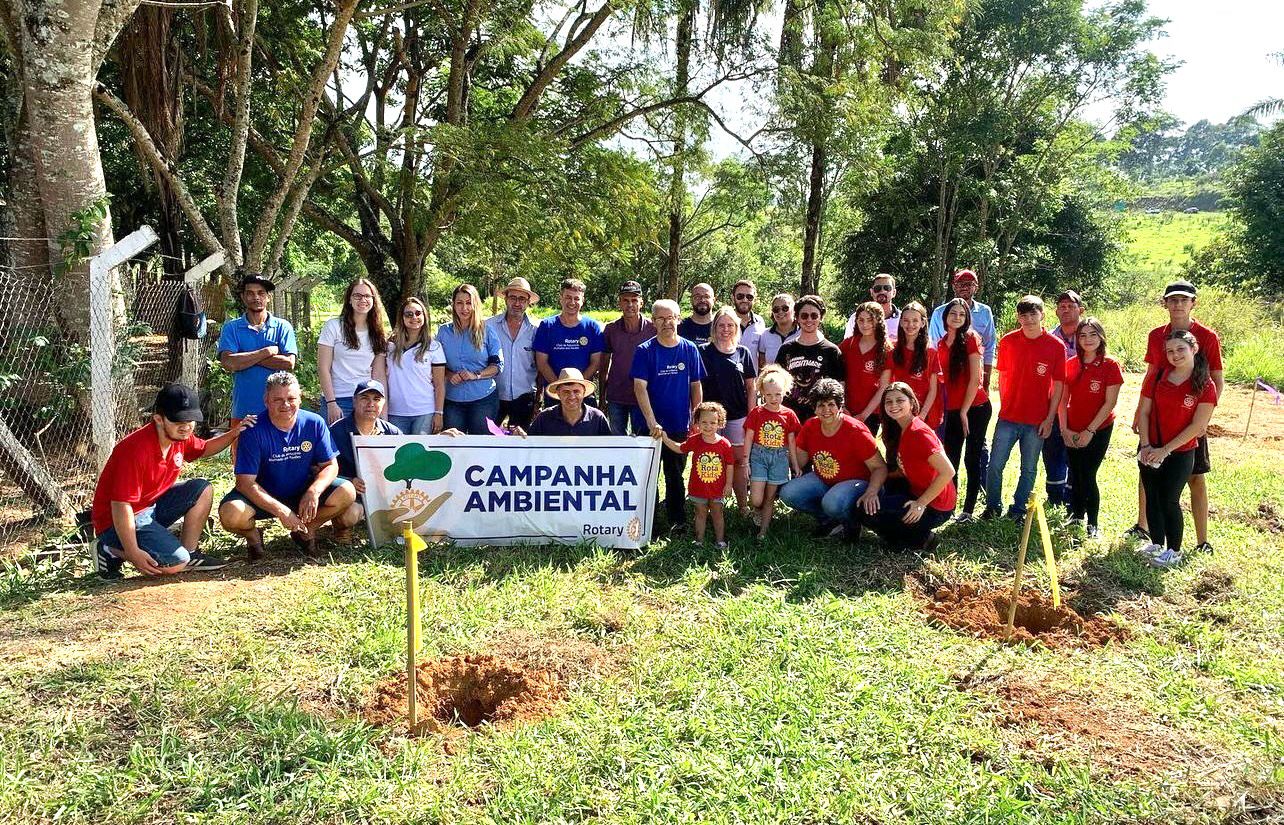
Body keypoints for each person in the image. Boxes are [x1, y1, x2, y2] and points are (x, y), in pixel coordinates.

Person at [91, 384, 247, 579]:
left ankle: (190, 553)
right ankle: (109, 549)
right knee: (174, 565)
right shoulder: (135, 450)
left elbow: (204, 448)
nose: (186, 426)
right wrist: (132, 552)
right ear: (158, 419)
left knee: (201, 488)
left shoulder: (180, 437)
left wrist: (235, 433)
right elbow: (121, 506)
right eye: (177, 420)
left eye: (191, 420)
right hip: (117, 521)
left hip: (150, 507)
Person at [1128, 279, 1224, 554]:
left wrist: (1202, 419)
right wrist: (1139, 410)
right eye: (1173, 300)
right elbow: (1150, 374)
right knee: (1148, 465)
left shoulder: (1207, 336)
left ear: (1193, 303)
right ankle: (1144, 526)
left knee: (1194, 476)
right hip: (1158, 414)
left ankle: (1201, 540)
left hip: (1191, 419)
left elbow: (1217, 379)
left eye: (1184, 299)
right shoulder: (1156, 335)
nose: (1178, 304)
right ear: (1165, 303)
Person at [218, 372, 357, 559]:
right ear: (266, 400)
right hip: (262, 495)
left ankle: (306, 529)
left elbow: (330, 465)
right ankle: (253, 537)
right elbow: (244, 483)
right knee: (231, 514)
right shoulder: (253, 430)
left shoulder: (314, 423)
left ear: (300, 399)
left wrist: (313, 492)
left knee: (347, 491)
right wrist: (281, 511)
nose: (285, 405)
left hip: (302, 493)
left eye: (291, 398)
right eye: (278, 399)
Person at [1135, 329, 1218, 568]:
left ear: (1194, 349)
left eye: (1180, 349)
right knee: (1152, 496)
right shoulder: (1158, 376)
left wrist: (1166, 450)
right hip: (1151, 447)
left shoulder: (1204, 384)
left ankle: (1174, 549)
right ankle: (1156, 543)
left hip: (1180, 451)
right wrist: (1147, 444)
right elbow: (1145, 412)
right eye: (1170, 351)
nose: (1175, 355)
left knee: (1169, 499)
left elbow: (1198, 426)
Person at [982, 295, 1066, 520]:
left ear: (1042, 316)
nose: (1028, 319)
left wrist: (1050, 419)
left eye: (1033, 314)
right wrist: (1006, 404)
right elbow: (1004, 377)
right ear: (1018, 317)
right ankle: (992, 507)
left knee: (1028, 469)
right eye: (1023, 315)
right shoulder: (1008, 341)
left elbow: (1058, 385)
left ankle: (1018, 510)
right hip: (1009, 417)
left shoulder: (1055, 346)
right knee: (995, 465)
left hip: (1037, 420)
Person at [779, 378, 887, 539]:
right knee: (788, 493)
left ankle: (852, 522)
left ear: (840, 406)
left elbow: (880, 467)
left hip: (859, 483)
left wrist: (872, 492)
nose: (826, 410)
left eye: (831, 404)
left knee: (832, 501)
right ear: (814, 408)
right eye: (821, 405)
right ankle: (830, 521)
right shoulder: (811, 426)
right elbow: (798, 461)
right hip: (825, 479)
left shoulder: (856, 430)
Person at [632, 299, 705, 531]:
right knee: (648, 476)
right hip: (649, 427)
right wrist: (652, 421)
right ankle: (648, 520)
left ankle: (677, 520)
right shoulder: (644, 351)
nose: (666, 323)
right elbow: (639, 388)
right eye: (661, 318)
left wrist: (697, 417)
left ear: (678, 319)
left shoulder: (689, 349)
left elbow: (695, 385)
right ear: (653, 322)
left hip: (678, 426)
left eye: (670, 317)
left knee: (675, 475)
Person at [857, 383, 956, 551]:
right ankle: (904, 534)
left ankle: (921, 538)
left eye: (899, 400)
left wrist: (920, 503)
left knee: (871, 516)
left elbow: (948, 471)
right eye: (888, 401)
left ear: (912, 402)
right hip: (915, 491)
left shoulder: (919, 433)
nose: (893, 405)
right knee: (865, 508)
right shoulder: (900, 428)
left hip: (935, 505)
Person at [1058, 318, 1122, 538]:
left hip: (1098, 428)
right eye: (1083, 335)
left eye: (1093, 334)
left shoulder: (1110, 365)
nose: (1088, 340)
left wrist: (1090, 431)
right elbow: (1063, 399)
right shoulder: (1071, 363)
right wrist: (1065, 429)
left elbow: (1110, 402)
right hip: (1072, 428)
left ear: (1101, 337)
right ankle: (1076, 515)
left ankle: (1092, 523)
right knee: (1075, 473)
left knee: (1088, 474)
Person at [217, 272, 297, 442]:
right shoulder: (232, 328)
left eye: (261, 293)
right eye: (250, 293)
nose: (256, 297)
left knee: (278, 464)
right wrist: (266, 352)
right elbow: (229, 363)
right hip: (244, 410)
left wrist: (244, 359)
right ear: (243, 297)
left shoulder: (283, 327)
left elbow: (289, 363)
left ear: (268, 297)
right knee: (244, 465)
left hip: (279, 410)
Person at [698, 306, 758, 513]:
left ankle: (742, 506)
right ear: (714, 327)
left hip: (737, 416)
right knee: (711, 461)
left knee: (740, 462)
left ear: (736, 327)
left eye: (730, 325)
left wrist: (752, 416)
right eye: (721, 325)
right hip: (709, 419)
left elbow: (751, 387)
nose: (726, 329)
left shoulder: (744, 353)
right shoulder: (703, 351)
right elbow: (695, 386)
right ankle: (709, 505)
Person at [329, 379, 403, 543]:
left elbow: (412, 458)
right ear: (354, 401)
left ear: (383, 403)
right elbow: (318, 469)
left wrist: (442, 439)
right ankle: (342, 528)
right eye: (365, 398)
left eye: (376, 399)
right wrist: (348, 482)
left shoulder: (392, 432)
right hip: (353, 495)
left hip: (384, 494)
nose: (371, 404)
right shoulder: (336, 430)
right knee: (349, 517)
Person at [939, 298, 991, 520]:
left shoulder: (971, 338)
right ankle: (949, 506)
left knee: (972, 457)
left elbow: (975, 380)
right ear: (946, 316)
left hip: (975, 408)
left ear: (967, 318)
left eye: (962, 314)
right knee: (951, 458)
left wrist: (964, 411)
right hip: (951, 409)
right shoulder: (941, 343)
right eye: (953, 313)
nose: (957, 317)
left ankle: (968, 509)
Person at [658, 402, 735, 547]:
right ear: (697, 422)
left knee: (717, 513)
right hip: (699, 487)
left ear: (719, 423)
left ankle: (720, 541)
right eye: (704, 422)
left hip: (718, 488)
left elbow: (730, 465)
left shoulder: (725, 444)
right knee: (700, 513)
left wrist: (729, 484)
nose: (708, 426)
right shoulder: (695, 440)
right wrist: (665, 439)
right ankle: (699, 541)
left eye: (713, 422)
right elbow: (680, 448)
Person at [318, 278, 389, 424]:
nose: (362, 300)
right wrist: (331, 402)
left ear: (374, 300)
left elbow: (379, 374)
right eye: (357, 295)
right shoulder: (333, 326)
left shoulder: (378, 332)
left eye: (367, 296)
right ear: (349, 300)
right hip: (338, 399)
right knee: (336, 446)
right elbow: (323, 368)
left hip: (366, 400)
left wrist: (383, 408)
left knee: (365, 447)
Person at [437, 283, 505, 435]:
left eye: (469, 303)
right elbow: (437, 365)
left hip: (483, 398)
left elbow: (497, 365)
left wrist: (477, 375)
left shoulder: (487, 330)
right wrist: (449, 375)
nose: (464, 308)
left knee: (481, 448)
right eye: (459, 303)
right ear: (453, 305)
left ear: (475, 305)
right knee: (454, 447)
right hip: (452, 399)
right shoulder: (443, 332)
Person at [744, 365, 802, 540]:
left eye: (778, 394)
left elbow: (791, 442)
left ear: (785, 391)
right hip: (759, 456)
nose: (773, 398)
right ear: (762, 392)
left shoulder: (789, 415)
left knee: (770, 497)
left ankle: (763, 530)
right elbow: (748, 438)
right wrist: (745, 462)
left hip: (780, 458)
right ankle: (756, 510)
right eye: (769, 395)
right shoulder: (757, 413)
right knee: (756, 499)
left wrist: (795, 464)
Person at [1041, 289, 1085, 507]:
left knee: (1077, 452)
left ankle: (1073, 498)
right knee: (1052, 450)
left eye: (1071, 305)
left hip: (1081, 404)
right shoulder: (1048, 338)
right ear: (1056, 311)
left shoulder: (1089, 336)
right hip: (1053, 403)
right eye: (1062, 306)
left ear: (1081, 310)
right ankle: (1054, 497)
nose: (1066, 309)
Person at [533, 278, 604, 405]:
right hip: (554, 394)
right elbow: (542, 363)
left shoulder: (592, 327)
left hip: (583, 393)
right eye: (568, 297)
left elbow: (596, 362)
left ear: (583, 300)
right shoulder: (547, 326)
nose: (572, 302)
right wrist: (560, 389)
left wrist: (576, 389)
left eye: (576, 298)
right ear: (561, 298)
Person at [775, 294, 844, 423]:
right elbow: (776, 382)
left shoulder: (831, 351)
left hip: (821, 418)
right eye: (804, 315)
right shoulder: (786, 349)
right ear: (797, 318)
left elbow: (840, 387)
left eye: (814, 315)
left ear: (821, 318)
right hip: (789, 417)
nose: (809, 320)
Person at [601, 280, 656, 435]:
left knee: (642, 439)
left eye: (634, 300)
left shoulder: (652, 329)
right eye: (625, 300)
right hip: (616, 396)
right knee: (618, 441)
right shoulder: (611, 329)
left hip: (644, 396)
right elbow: (603, 365)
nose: (630, 304)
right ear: (619, 302)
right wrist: (602, 396)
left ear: (641, 303)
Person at [929, 269, 997, 393]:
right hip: (947, 374)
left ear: (976, 287)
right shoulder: (939, 313)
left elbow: (989, 346)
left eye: (969, 284)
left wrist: (986, 380)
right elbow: (933, 347)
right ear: (954, 286)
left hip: (975, 373)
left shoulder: (985, 312)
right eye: (960, 284)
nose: (965, 287)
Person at [385, 296, 446, 435]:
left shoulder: (434, 347)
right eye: (409, 314)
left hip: (424, 412)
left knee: (419, 455)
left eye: (418, 313)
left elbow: (439, 384)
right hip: (395, 412)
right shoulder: (389, 346)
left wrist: (439, 413)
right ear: (402, 318)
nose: (414, 317)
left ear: (424, 316)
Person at [487, 277, 540, 431]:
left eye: (522, 299)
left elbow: (541, 364)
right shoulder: (488, 326)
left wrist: (538, 399)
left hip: (524, 396)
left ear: (528, 302)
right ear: (506, 299)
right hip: (492, 395)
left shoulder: (536, 329)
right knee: (488, 441)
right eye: (513, 298)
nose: (517, 303)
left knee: (520, 443)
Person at [888, 301, 943, 433]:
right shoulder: (892, 349)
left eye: (915, 320)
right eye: (906, 320)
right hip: (897, 412)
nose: (910, 325)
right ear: (900, 323)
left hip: (923, 415)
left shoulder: (930, 353)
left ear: (922, 323)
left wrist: (922, 415)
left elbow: (933, 390)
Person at [839, 301, 892, 435]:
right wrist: (842, 406)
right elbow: (839, 378)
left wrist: (864, 415)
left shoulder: (886, 350)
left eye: (870, 320)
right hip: (846, 410)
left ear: (878, 321)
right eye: (861, 320)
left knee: (865, 452)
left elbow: (883, 386)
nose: (865, 324)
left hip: (871, 413)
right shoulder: (848, 344)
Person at [525, 368, 614, 436]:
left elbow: (608, 451)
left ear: (584, 393)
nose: (572, 396)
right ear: (558, 393)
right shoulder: (544, 418)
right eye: (566, 392)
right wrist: (519, 438)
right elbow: (530, 445)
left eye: (576, 391)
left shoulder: (597, 418)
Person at [844, 273, 900, 340]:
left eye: (887, 288)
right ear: (871, 292)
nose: (882, 291)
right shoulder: (856, 318)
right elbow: (848, 346)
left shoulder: (903, 319)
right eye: (877, 288)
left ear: (894, 293)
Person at [755, 293, 800, 370]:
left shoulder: (803, 333)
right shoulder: (765, 335)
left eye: (785, 308)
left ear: (794, 310)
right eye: (776, 309)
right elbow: (762, 366)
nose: (780, 312)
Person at [731, 279, 767, 357]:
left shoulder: (760, 322)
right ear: (733, 298)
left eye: (749, 297)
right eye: (740, 296)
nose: (745, 300)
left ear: (754, 299)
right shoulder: (724, 321)